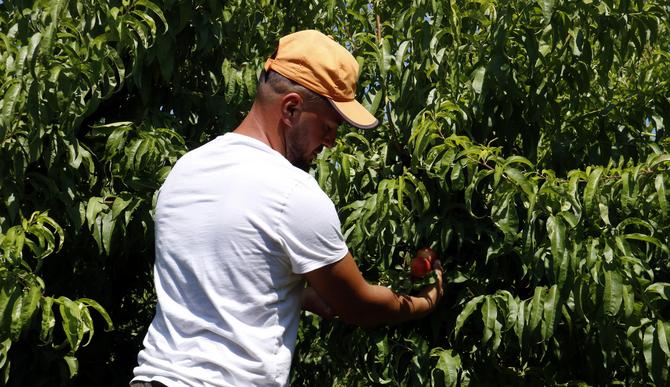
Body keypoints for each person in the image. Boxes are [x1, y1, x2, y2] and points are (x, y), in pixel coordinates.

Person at [130, 29, 443, 387]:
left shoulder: (186, 169)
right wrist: (425, 302)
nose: (331, 142)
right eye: (328, 126)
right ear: (291, 108)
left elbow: (217, 280)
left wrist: (298, 295)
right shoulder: (292, 192)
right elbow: (359, 306)